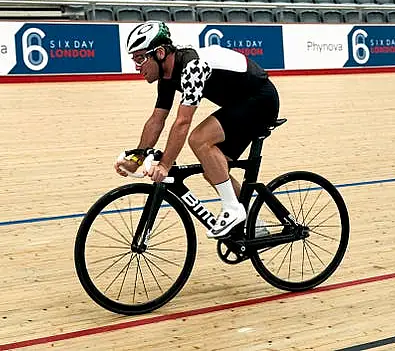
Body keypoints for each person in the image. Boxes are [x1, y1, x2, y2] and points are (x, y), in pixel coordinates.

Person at [113, 21, 280, 238]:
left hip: (261, 100)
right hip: (241, 104)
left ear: (160, 53)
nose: (137, 66)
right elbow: (157, 119)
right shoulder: (166, 76)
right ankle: (255, 226)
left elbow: (183, 122)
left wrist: (165, 165)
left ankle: (233, 209)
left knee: (199, 139)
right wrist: (137, 157)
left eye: (140, 58)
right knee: (214, 173)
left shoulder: (192, 67)